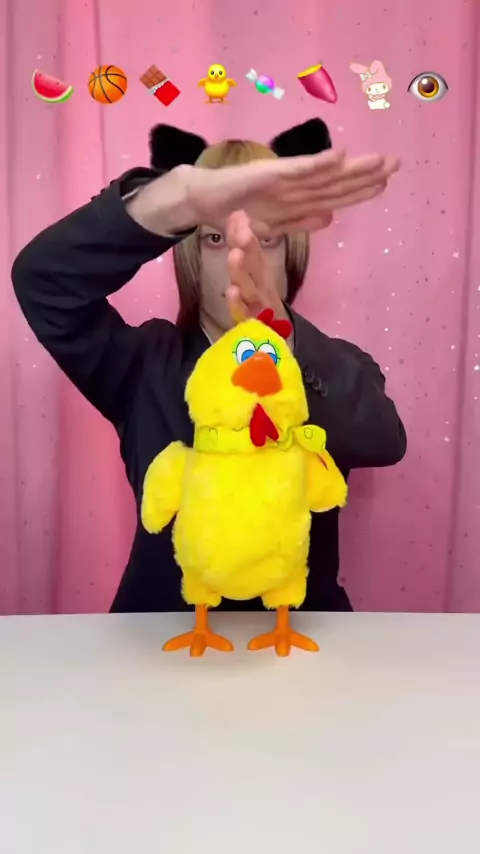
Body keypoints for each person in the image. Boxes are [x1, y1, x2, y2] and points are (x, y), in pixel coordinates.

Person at [11, 118, 406, 614]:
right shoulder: (141, 363)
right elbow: (43, 281)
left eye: (267, 238)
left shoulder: (334, 362)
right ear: (191, 254)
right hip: (161, 635)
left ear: (293, 254)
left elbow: (383, 441)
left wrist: (280, 334)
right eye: (215, 238)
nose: (242, 254)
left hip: (300, 634)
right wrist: (178, 200)